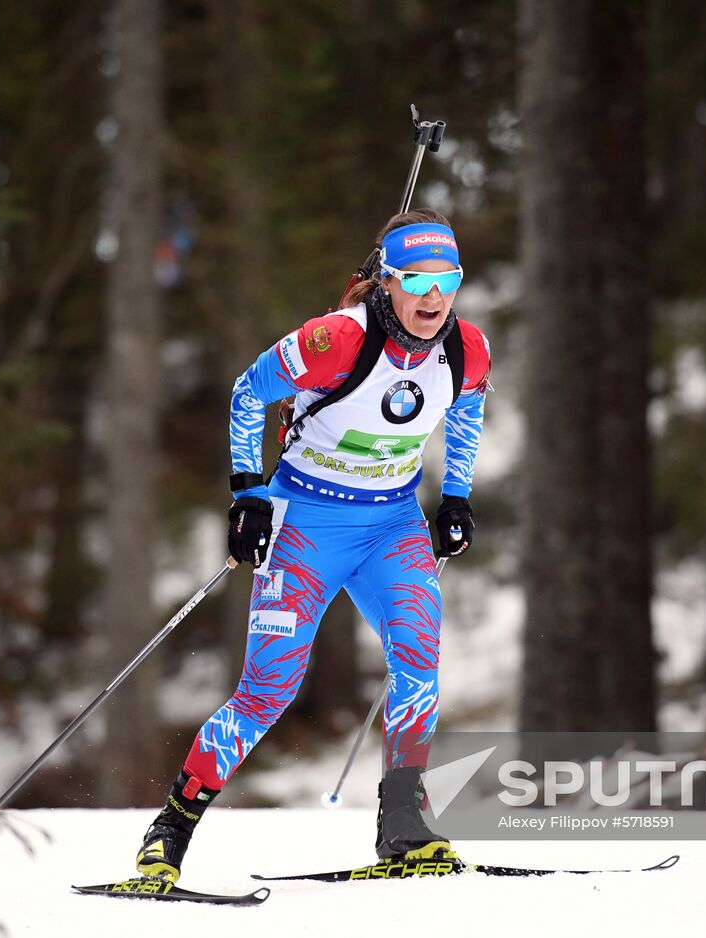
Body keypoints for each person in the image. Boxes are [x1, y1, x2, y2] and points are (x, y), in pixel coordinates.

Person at [134, 208, 492, 882]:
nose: (433, 295)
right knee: (269, 690)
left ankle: (405, 829)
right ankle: (170, 831)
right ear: (387, 282)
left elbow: (468, 410)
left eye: (447, 278)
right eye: (415, 279)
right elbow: (247, 393)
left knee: (418, 663)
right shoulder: (334, 340)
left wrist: (455, 497)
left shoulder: (467, 348)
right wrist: (246, 492)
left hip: (392, 526)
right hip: (305, 527)